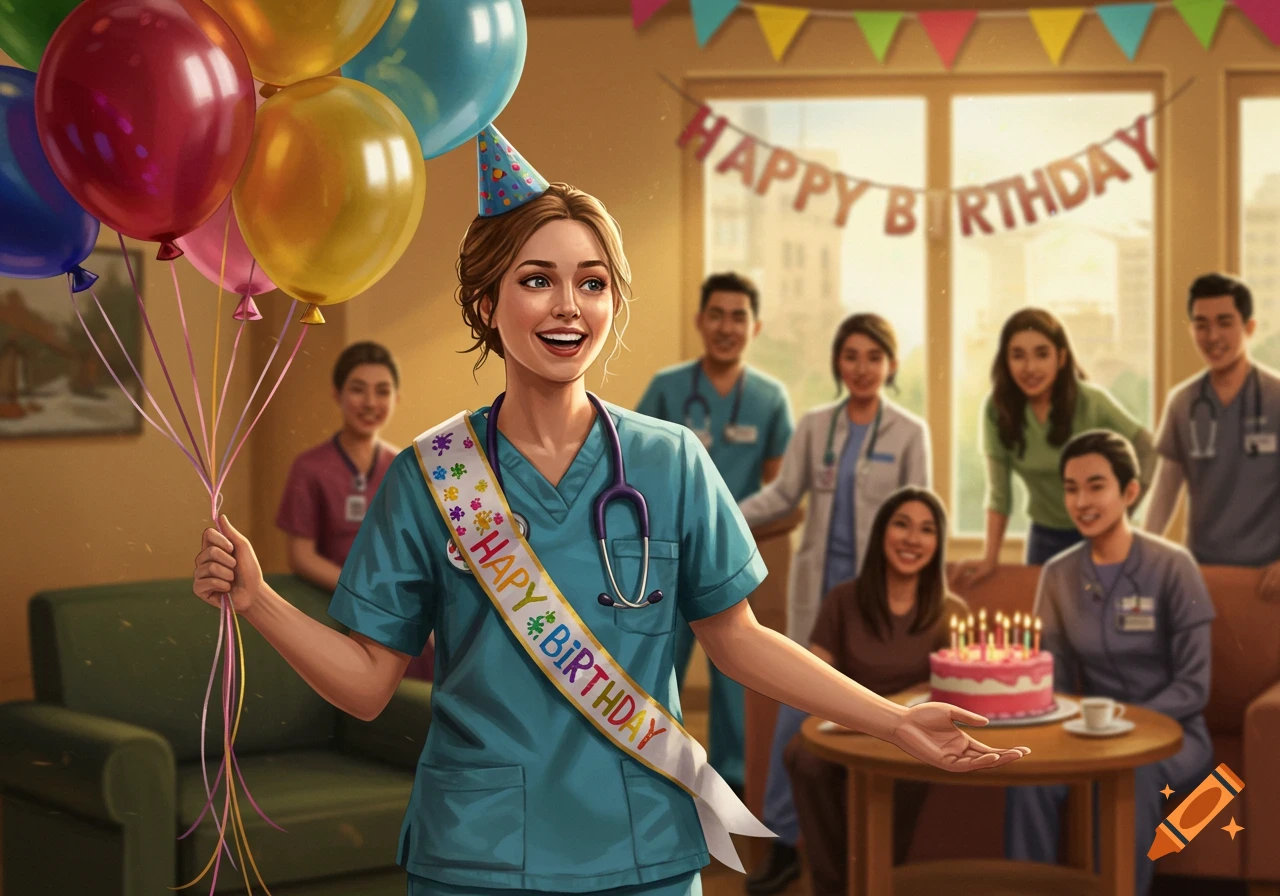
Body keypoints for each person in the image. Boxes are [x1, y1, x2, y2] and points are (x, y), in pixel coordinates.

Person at [193, 127, 1026, 896]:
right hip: (479, 854)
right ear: (487, 303)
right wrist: (258, 601)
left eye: (592, 284)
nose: (568, 307)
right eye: (537, 281)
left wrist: (893, 723)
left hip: (641, 846)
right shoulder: (427, 478)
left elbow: (736, 640)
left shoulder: (671, 462)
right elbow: (370, 686)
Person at [736, 312, 931, 894]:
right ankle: (782, 848)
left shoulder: (908, 432)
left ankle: (860, 858)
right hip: (818, 603)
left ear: (891, 364)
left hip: (875, 605)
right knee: (793, 722)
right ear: (838, 364)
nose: (862, 368)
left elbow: (920, 512)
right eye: (851, 356)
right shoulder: (816, 427)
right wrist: (721, 516)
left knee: (868, 722)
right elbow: (782, 495)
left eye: (874, 357)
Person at [1005, 430, 1214, 896]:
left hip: (1172, 736)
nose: (1081, 501)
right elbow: (1051, 678)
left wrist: (1126, 723)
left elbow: (1195, 686)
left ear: (1130, 492)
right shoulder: (1058, 574)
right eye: (1071, 487)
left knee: (1133, 773)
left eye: (1096, 486)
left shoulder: (1174, 566)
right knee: (1028, 777)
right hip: (1087, 734)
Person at [635, 271, 794, 796]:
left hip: (730, 567)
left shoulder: (771, 398)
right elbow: (632, 475)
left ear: (756, 326)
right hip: (667, 564)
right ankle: (656, 781)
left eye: (739, 317)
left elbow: (785, 498)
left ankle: (735, 792)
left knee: (737, 686)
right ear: (701, 321)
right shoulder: (667, 388)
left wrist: (730, 528)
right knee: (657, 675)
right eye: (718, 315)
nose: (727, 327)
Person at [787, 487, 969, 896]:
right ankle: (835, 886)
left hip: (914, 731)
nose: (911, 539)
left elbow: (953, 685)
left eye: (926, 530)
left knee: (905, 764)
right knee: (802, 757)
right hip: (846, 720)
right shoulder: (843, 599)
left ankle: (879, 882)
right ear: (881, 532)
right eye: (901, 524)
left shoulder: (950, 610)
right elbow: (817, 673)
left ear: (937, 544)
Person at [955, 307, 1157, 585]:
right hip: (1045, 538)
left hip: (1100, 535)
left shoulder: (1091, 401)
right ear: (1005, 361)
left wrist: (1122, 512)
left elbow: (1148, 449)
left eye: (1041, 354)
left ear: (1061, 358)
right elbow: (999, 495)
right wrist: (990, 558)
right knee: (1048, 624)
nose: (1029, 368)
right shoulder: (995, 410)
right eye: (1018, 356)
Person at [274, 342, 433, 680]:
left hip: (402, 605)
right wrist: (366, 591)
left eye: (382, 391)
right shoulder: (311, 468)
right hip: (348, 608)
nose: (371, 403)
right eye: (358, 390)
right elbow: (302, 556)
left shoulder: (405, 467)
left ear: (396, 399)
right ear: (338, 394)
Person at [1145, 273, 1280, 601]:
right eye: (1201, 325)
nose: (1213, 336)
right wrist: (1141, 556)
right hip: (1202, 573)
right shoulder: (1183, 402)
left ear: (1249, 328)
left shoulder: (1277, 397)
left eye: (1224, 323)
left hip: (1268, 576)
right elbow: (1165, 493)